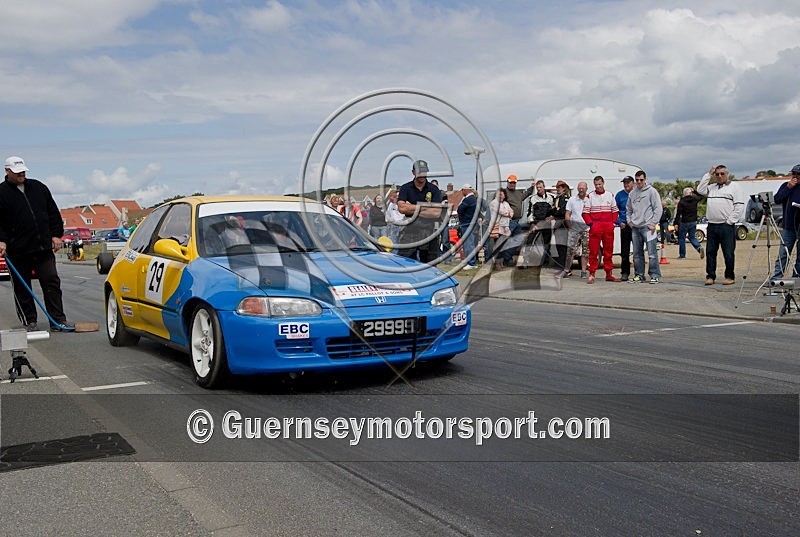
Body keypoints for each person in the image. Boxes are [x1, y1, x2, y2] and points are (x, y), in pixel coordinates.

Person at [0, 156, 74, 331]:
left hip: (42, 248)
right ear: (7, 171)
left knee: (51, 281)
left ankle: (58, 320)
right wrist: (1, 240)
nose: (21, 175)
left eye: (23, 171)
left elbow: (53, 213)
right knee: (21, 286)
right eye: (17, 172)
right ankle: (29, 321)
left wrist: (56, 235)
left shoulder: (39, 188)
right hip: (17, 249)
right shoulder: (1, 193)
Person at [697, 164, 745, 285]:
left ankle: (729, 276)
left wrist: (730, 221)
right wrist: (709, 174)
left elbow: (739, 206)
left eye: (722, 174)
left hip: (726, 225)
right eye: (717, 174)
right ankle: (710, 276)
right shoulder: (712, 187)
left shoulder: (734, 187)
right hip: (712, 225)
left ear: (727, 174)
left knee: (728, 252)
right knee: (710, 252)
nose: (719, 176)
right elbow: (700, 190)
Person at [397, 160, 443, 263]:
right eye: (419, 172)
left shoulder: (434, 189)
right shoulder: (405, 188)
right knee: (405, 263)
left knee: (429, 266)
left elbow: (436, 212)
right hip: (409, 231)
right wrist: (426, 208)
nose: (422, 175)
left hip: (429, 231)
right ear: (413, 172)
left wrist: (411, 208)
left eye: (424, 172)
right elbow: (401, 208)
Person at [627, 170, 663, 284]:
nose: (639, 182)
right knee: (637, 254)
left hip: (648, 227)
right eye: (637, 180)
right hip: (635, 228)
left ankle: (654, 274)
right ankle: (639, 275)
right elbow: (628, 209)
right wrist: (629, 221)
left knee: (652, 253)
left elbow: (658, 208)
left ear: (645, 179)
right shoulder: (632, 193)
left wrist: (653, 223)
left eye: (641, 180)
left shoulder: (652, 192)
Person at [583, 176, 620, 284]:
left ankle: (609, 274)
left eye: (600, 184)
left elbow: (615, 211)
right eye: (596, 185)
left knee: (608, 252)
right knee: (593, 252)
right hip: (595, 228)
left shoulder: (610, 195)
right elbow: (585, 213)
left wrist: (612, 223)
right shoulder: (589, 196)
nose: (598, 186)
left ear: (603, 183)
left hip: (608, 228)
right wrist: (591, 224)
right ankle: (592, 274)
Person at [772, 164, 800, 279]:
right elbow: (777, 199)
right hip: (788, 226)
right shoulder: (786, 186)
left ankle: (797, 277)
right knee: (784, 253)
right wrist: (789, 187)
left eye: (798, 174)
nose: (795, 176)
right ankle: (777, 277)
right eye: (793, 174)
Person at [501, 174, 535, 267]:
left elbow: (526, 194)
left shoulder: (518, 193)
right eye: (511, 182)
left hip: (516, 221)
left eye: (514, 183)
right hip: (508, 221)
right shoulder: (504, 192)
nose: (512, 184)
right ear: (507, 182)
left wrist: (532, 187)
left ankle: (507, 259)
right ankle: (507, 260)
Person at [524, 180, 555, 268]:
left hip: (546, 224)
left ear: (544, 187)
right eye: (537, 188)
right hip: (536, 223)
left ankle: (545, 262)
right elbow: (529, 212)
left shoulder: (551, 198)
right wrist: (532, 223)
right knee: (529, 241)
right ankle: (525, 261)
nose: (539, 189)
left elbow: (554, 210)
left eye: (540, 187)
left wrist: (552, 217)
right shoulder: (532, 198)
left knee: (546, 243)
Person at [565, 181, 590, 278]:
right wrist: (569, 225)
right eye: (579, 188)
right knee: (570, 250)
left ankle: (583, 271)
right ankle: (567, 270)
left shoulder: (589, 200)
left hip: (586, 229)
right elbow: (567, 214)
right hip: (574, 228)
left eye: (583, 188)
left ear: (586, 189)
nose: (581, 189)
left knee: (585, 251)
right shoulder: (572, 200)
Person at [674, 187, 705, 259]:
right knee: (692, 237)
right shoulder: (694, 199)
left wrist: (676, 223)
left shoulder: (681, 202)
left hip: (684, 221)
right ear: (691, 193)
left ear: (684, 194)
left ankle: (682, 255)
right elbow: (701, 196)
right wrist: (695, 191)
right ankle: (699, 247)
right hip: (693, 221)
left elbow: (678, 214)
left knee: (682, 238)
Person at [488, 188, 513, 268]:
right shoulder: (494, 203)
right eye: (499, 194)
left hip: (505, 227)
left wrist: (509, 214)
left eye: (502, 194)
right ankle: (497, 263)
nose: (501, 196)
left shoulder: (506, 203)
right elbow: (501, 212)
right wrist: (508, 213)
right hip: (497, 226)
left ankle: (501, 263)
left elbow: (511, 212)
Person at [615, 176, 634, 281]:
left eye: (628, 182)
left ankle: (639, 273)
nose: (626, 185)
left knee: (638, 251)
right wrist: (619, 222)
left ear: (632, 183)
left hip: (635, 226)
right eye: (624, 183)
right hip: (624, 226)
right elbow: (614, 210)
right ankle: (625, 272)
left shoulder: (636, 194)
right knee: (624, 251)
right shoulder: (619, 195)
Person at [456, 184, 479, 269]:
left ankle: (471, 263)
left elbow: (459, 210)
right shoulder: (473, 199)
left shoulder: (468, 199)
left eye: (462, 190)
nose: (462, 192)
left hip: (467, 224)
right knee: (470, 243)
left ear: (465, 190)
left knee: (468, 244)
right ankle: (471, 262)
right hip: (471, 223)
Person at [550, 180, 571, 272]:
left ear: (564, 188)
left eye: (559, 187)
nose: (557, 189)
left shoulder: (566, 198)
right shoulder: (557, 198)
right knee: (558, 245)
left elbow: (562, 211)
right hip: (557, 224)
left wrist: (555, 211)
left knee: (563, 246)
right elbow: (553, 210)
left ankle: (563, 267)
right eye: (557, 187)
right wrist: (555, 210)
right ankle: (559, 265)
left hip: (563, 224)